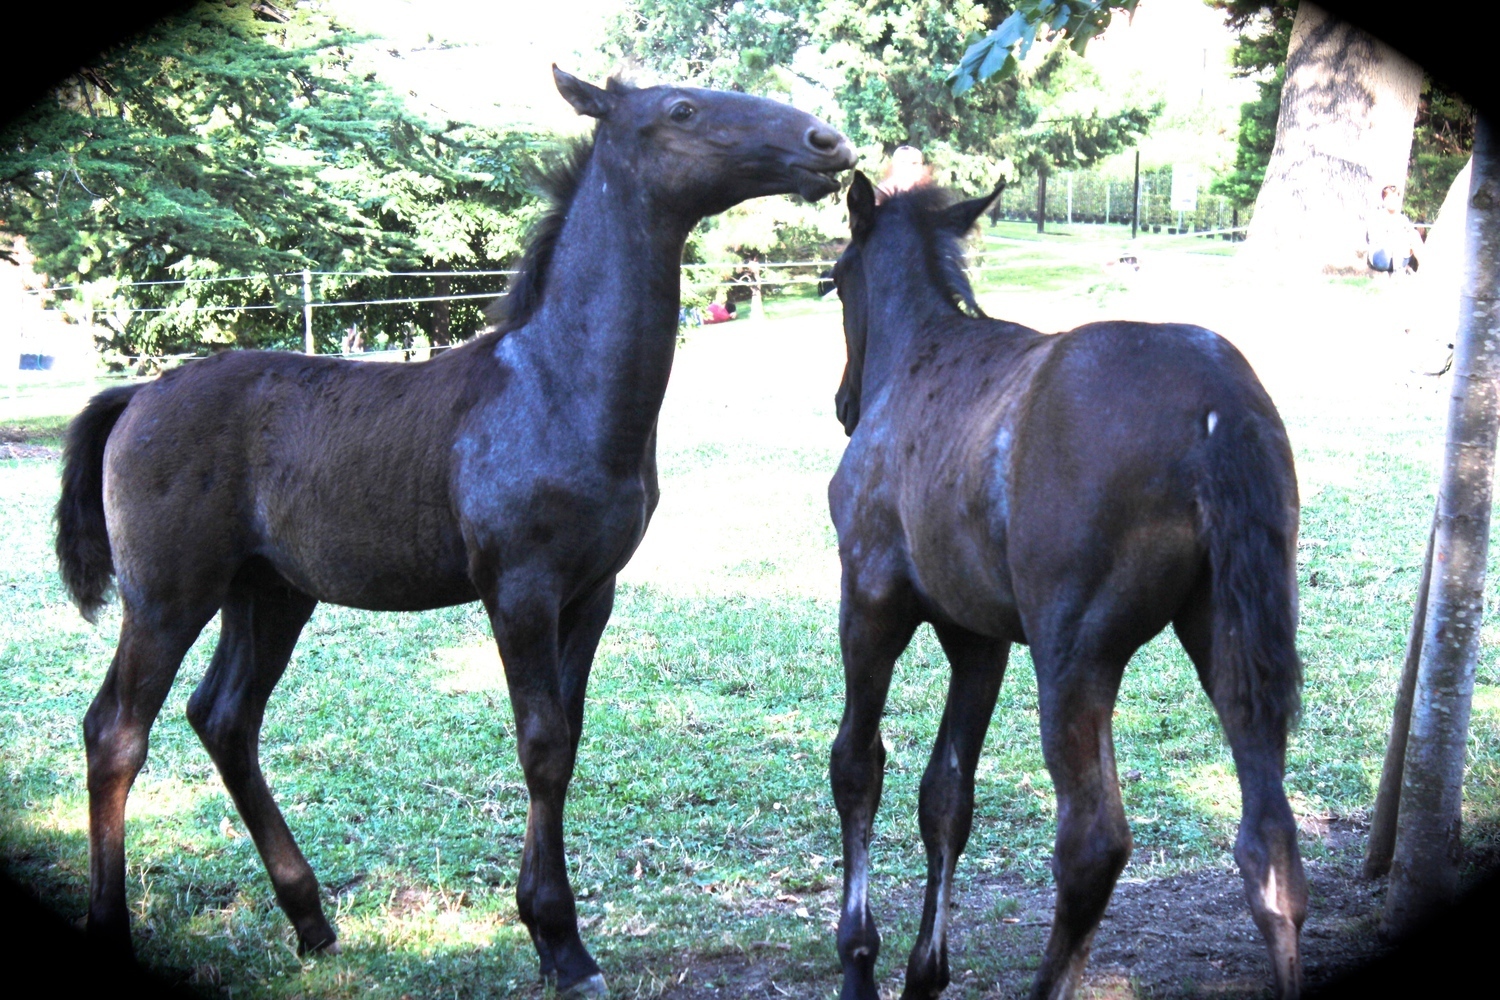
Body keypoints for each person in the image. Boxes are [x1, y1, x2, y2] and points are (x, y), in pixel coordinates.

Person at [1366, 184, 1424, 275]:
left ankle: (1424, 267)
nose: (1392, 201)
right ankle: (1398, 273)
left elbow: (1410, 236)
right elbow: (1375, 239)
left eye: (1394, 198)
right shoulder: (1377, 217)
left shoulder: (1403, 219)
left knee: (1414, 234)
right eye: (1389, 198)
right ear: (1384, 200)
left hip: (1400, 257)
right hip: (1380, 256)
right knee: (1397, 236)